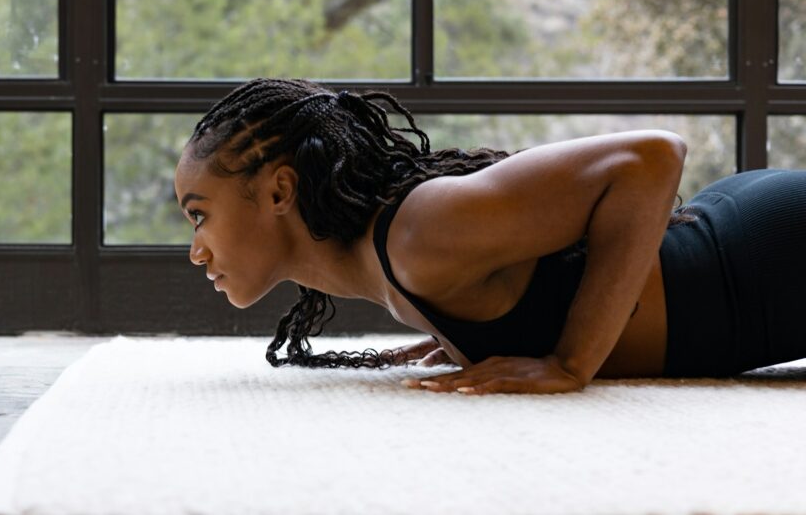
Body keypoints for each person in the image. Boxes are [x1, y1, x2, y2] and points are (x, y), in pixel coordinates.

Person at [173, 77, 806, 395]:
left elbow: (649, 159)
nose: (197, 248)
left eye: (199, 213)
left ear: (280, 193)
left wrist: (569, 363)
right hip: (740, 250)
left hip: (766, 262)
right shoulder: (389, 257)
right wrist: (465, 331)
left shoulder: (419, 236)